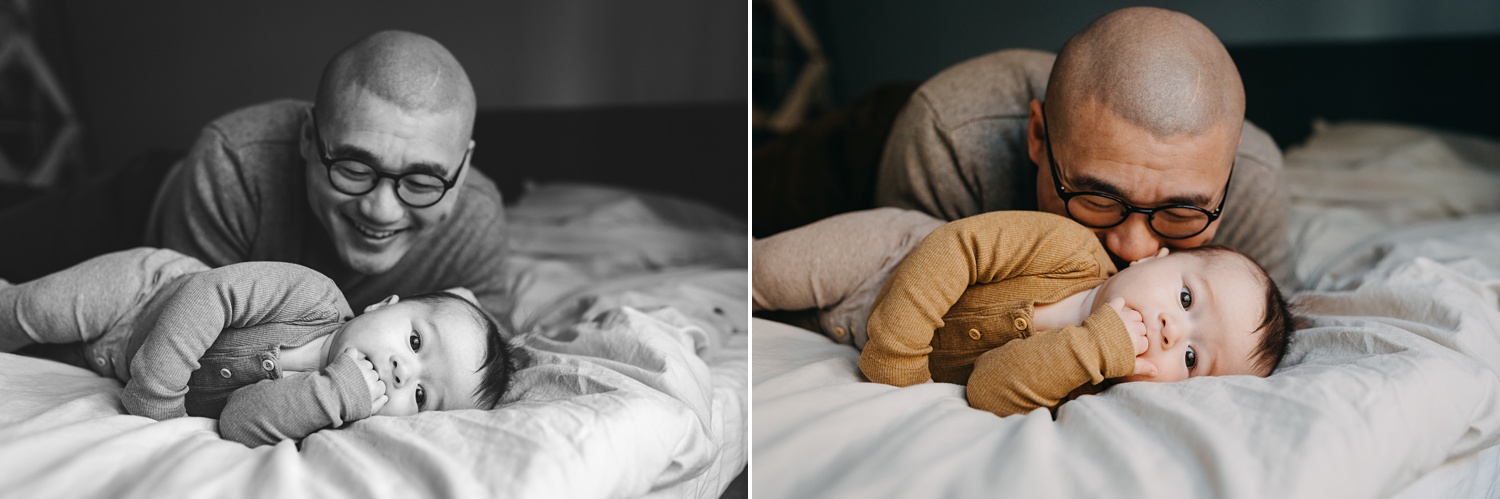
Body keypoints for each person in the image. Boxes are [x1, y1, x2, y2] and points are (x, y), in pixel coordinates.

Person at [0, 30, 512, 324]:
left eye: (422, 183)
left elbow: (482, 361)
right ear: (309, 139)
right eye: (354, 168)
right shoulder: (234, 163)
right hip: (139, 208)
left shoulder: (477, 224)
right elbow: (192, 339)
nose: (381, 209)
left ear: (463, 167)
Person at [875, 7, 1290, 283]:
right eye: (1098, 198)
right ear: (1038, 135)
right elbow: (898, 304)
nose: (1133, 250)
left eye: (1180, 212)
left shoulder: (1255, 179)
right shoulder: (949, 137)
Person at [753, 208, 1292, 417]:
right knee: (766, 274)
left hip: (849, 333)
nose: (1174, 331)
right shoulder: (1071, 250)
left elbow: (988, 389)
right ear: (1155, 255)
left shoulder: (1085, 381)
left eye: (1194, 358)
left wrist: (1091, 350)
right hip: (889, 259)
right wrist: (897, 360)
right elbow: (955, 247)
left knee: (769, 329)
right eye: (1186, 299)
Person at [0, 248, 517, 447]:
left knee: (36, 356)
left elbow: (237, 422)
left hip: (110, 363)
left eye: (423, 396)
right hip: (142, 295)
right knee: (27, 313)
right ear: (381, 305)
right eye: (415, 340)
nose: (405, 372)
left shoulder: (330, 410)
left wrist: (331, 398)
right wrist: (156, 398)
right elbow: (210, 293)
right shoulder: (312, 297)